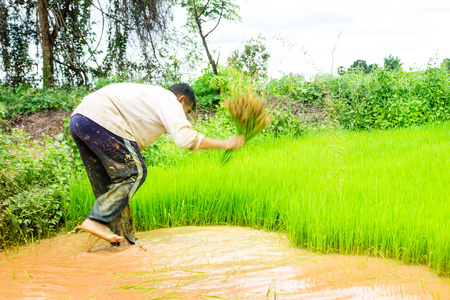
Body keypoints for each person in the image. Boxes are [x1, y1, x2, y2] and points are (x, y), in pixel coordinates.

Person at [69, 82, 244, 247]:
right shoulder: (169, 99)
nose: (181, 116)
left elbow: (130, 144)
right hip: (101, 117)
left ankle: (120, 243)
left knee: (112, 187)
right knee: (135, 173)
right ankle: (97, 220)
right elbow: (185, 139)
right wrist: (226, 143)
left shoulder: (148, 101)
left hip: (79, 120)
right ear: (181, 99)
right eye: (185, 111)